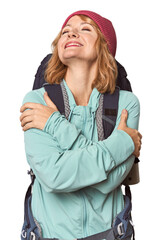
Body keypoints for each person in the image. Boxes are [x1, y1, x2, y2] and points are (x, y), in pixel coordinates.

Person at [20, 10, 142, 240]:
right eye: (65, 31)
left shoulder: (127, 104)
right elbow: (54, 176)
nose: (72, 32)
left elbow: (110, 182)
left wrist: (55, 125)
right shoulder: (36, 101)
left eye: (85, 28)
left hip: (109, 234)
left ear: (105, 47)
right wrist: (121, 143)